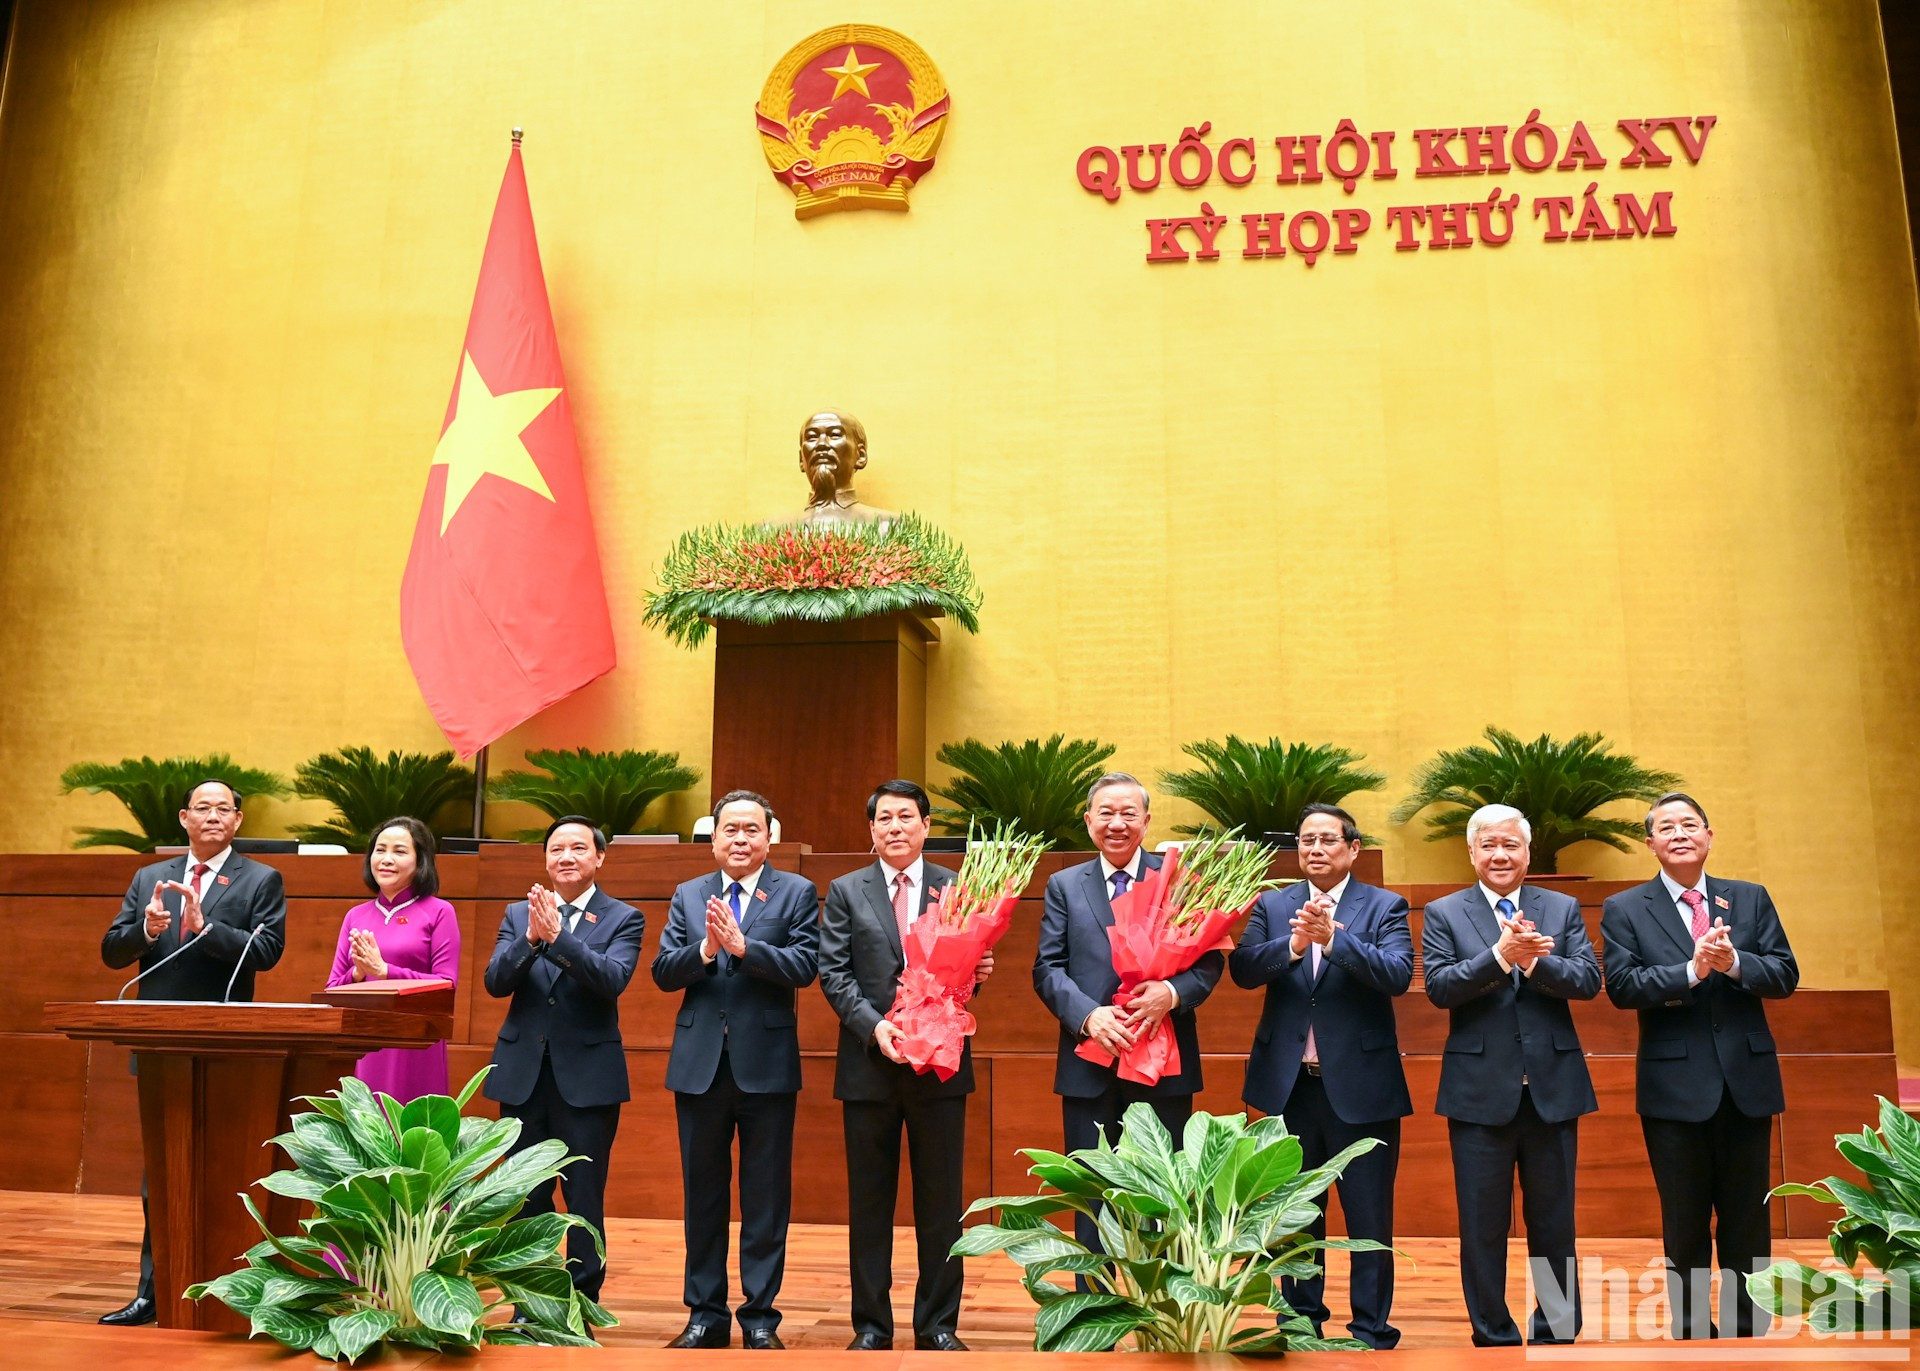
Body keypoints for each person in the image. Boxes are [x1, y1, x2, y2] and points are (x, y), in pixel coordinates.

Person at [1601, 792, 1799, 1339]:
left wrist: (1735, 963)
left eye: (1691, 824)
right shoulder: (1625, 908)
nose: (1680, 833)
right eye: (1667, 827)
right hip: (1672, 1086)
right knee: (1684, 1216)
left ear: (1710, 837)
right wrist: (1690, 969)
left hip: (1746, 1082)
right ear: (1651, 844)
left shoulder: (1751, 899)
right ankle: (1690, 1325)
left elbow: (1784, 974)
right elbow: (1622, 988)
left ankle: (1748, 1321)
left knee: (1746, 1214)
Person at [97, 779, 288, 1326]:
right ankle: (151, 1293)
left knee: (226, 1169)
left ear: (238, 820)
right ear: (183, 817)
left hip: (226, 1046)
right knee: (159, 1172)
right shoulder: (148, 877)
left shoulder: (261, 879)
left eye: (222, 809)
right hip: (160, 1044)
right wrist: (144, 930)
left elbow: (267, 951)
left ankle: (224, 1291)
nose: (211, 817)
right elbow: (113, 952)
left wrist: (209, 930)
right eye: (201, 808)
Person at [817, 780, 994, 1352]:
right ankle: (870, 1326)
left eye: (906, 817)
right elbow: (834, 974)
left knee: (940, 1203)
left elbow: (963, 974)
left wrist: (975, 975)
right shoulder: (846, 890)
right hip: (871, 1066)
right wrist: (876, 1027)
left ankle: (938, 1324)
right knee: (869, 1203)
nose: (895, 827)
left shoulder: (957, 886)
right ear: (871, 831)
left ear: (925, 825)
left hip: (939, 1069)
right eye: (884, 819)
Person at [1228, 803, 1412, 1349]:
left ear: (1353, 849)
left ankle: (1371, 1328)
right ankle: (1300, 1322)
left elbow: (1397, 975)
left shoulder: (1385, 905)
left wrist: (1333, 939)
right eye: (1307, 840)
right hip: (1290, 1085)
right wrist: (1294, 944)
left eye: (1328, 840)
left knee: (1368, 1212)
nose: (1315, 849)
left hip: (1362, 1086)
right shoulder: (1274, 902)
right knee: (1296, 1211)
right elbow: (1242, 969)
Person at [1422, 803, 1599, 1347]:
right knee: (1482, 1225)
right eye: (1489, 845)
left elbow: (1589, 981)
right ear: (1472, 852)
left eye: (1511, 845)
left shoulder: (1563, 907)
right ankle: (1492, 1332)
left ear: (1527, 853)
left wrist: (1533, 963)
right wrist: (1500, 956)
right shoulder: (1444, 912)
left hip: (1552, 1088)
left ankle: (1558, 1327)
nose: (1501, 855)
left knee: (1554, 1224)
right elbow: (1440, 988)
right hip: (1478, 1093)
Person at [652, 790, 820, 1350]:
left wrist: (746, 947)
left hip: (766, 1066)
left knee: (765, 1195)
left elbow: (805, 967)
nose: (740, 839)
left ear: (769, 836)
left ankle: (759, 1316)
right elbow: (662, 972)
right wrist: (705, 949)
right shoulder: (688, 893)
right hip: (700, 1065)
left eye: (751, 830)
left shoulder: (795, 891)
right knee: (703, 1193)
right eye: (730, 830)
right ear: (714, 837)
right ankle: (705, 1314)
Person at [1033, 772, 1224, 1257]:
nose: (1117, 823)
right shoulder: (1063, 884)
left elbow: (1208, 961)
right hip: (1089, 1062)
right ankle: (1094, 1325)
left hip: (1164, 1062)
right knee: (1091, 1194)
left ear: (1147, 820)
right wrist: (1089, 1016)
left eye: (1128, 813)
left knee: (1164, 1192)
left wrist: (1171, 992)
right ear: (1088, 819)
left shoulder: (1179, 877)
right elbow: (1047, 969)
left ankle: (1162, 1322)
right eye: (1106, 813)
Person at [482, 815, 643, 1306]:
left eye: (577, 848)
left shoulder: (623, 917)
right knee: (526, 1196)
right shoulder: (517, 914)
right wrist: (530, 938)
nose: (566, 857)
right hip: (523, 1077)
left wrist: (558, 938)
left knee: (583, 1196)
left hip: (587, 1080)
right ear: (545, 859)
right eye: (556, 849)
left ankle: (579, 1302)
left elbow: (611, 979)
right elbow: (495, 982)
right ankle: (530, 1301)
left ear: (599, 858)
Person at [324, 816, 460, 1100]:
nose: (386, 859)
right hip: (365, 1042)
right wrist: (359, 974)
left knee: (411, 1132)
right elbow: (333, 990)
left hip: (416, 1043)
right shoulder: (356, 916)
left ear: (420, 860)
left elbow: (447, 985)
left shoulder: (439, 911)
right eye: (380, 849)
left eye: (399, 851)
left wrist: (385, 971)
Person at [789, 409, 895, 526]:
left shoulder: (889, 526)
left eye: (834, 435)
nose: (821, 444)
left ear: (860, 455)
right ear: (801, 459)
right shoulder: (771, 530)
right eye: (812, 437)